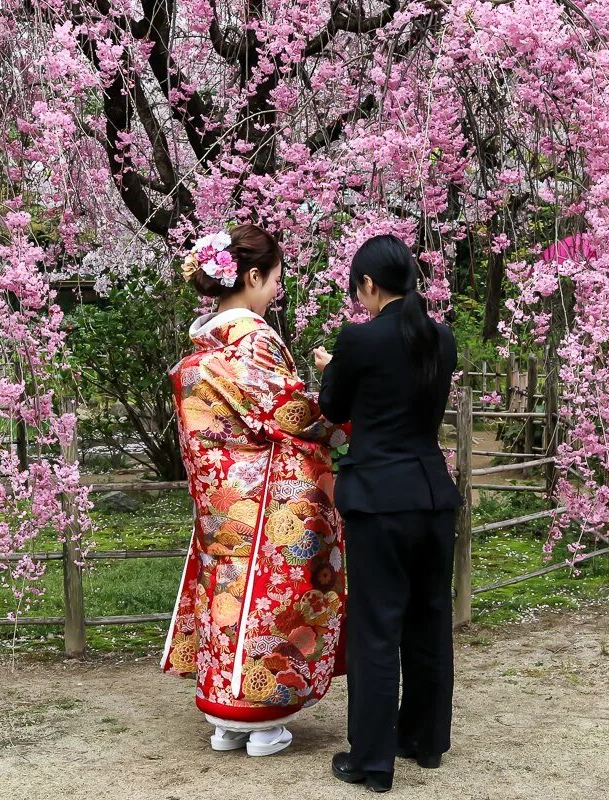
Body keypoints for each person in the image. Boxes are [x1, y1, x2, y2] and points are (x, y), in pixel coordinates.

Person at [161, 223, 349, 757]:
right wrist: (344, 410)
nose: (276, 291)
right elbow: (292, 415)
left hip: (221, 497)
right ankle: (262, 720)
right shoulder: (254, 341)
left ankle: (224, 719)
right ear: (251, 276)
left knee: (227, 594)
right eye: (273, 281)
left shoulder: (204, 345)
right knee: (271, 599)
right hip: (269, 496)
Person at [313, 234, 462, 793]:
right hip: (431, 496)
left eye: (360, 290)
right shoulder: (440, 339)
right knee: (428, 622)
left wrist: (333, 364)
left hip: (378, 500)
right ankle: (425, 741)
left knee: (376, 630)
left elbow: (334, 406)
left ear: (370, 286)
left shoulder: (359, 339)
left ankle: (372, 761)